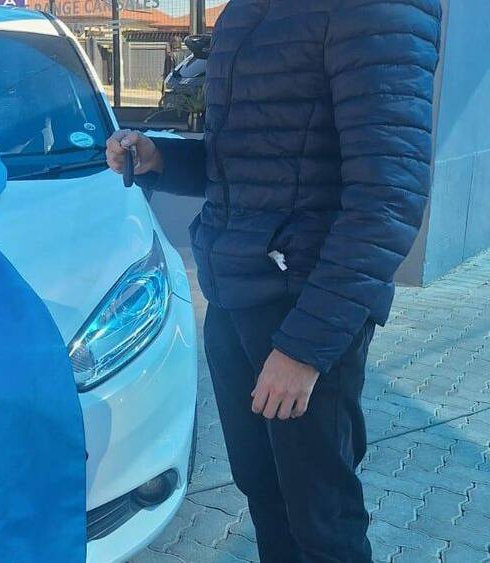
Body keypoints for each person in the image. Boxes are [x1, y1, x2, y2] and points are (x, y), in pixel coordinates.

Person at [106, 1, 441, 562]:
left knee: (322, 518)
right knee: (264, 491)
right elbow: (241, 161)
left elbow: (387, 200)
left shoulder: (375, 10)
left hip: (301, 311)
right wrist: (162, 157)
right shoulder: (246, 12)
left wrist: (304, 350)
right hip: (233, 298)